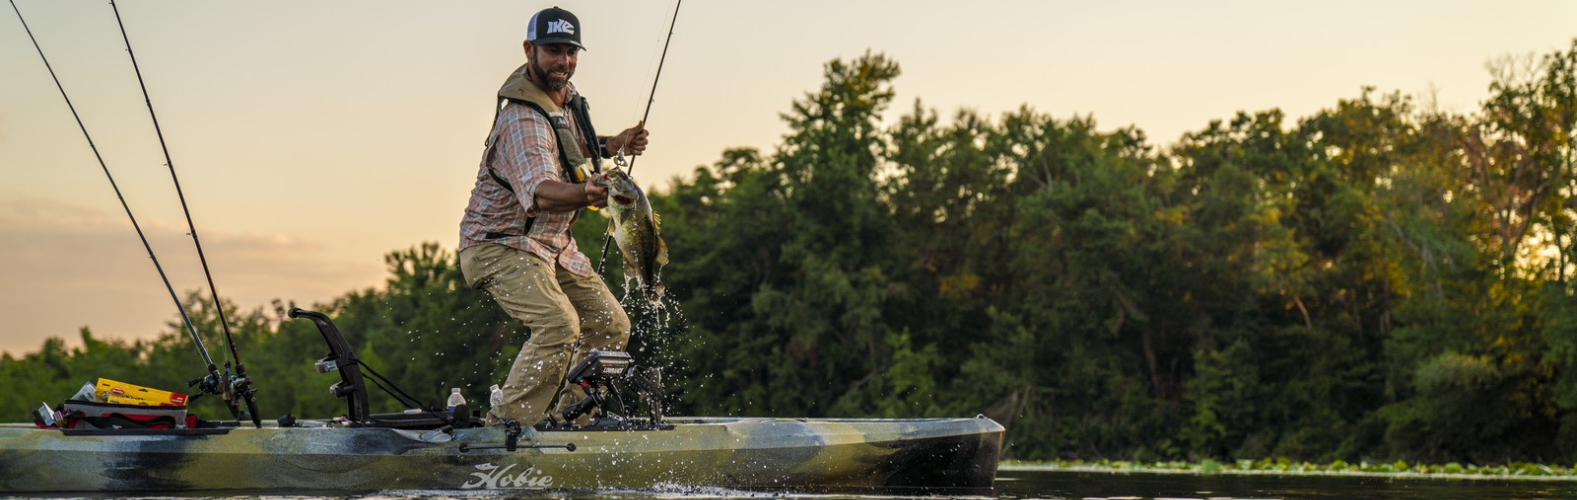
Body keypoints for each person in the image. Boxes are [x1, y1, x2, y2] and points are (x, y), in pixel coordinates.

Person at [458, 6, 650, 426]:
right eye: (552, 51)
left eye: (569, 51)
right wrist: (587, 192)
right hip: (500, 245)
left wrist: (613, 142)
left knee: (610, 324)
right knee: (559, 323)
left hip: (550, 247)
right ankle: (507, 431)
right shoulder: (521, 118)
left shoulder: (564, 102)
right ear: (530, 50)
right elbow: (541, 192)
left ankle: (572, 423)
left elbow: (569, 147)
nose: (562, 61)